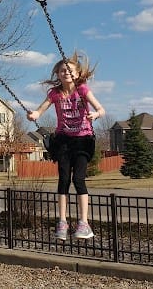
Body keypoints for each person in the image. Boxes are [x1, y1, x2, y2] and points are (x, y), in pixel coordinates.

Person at [27, 52, 105, 241]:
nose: (66, 73)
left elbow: (101, 109)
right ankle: (62, 221)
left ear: (77, 74)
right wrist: (35, 115)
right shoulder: (55, 93)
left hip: (83, 139)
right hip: (63, 140)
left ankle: (83, 223)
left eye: (70, 70)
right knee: (63, 179)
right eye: (62, 70)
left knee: (78, 179)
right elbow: (41, 108)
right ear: (58, 74)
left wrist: (95, 115)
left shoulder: (83, 90)